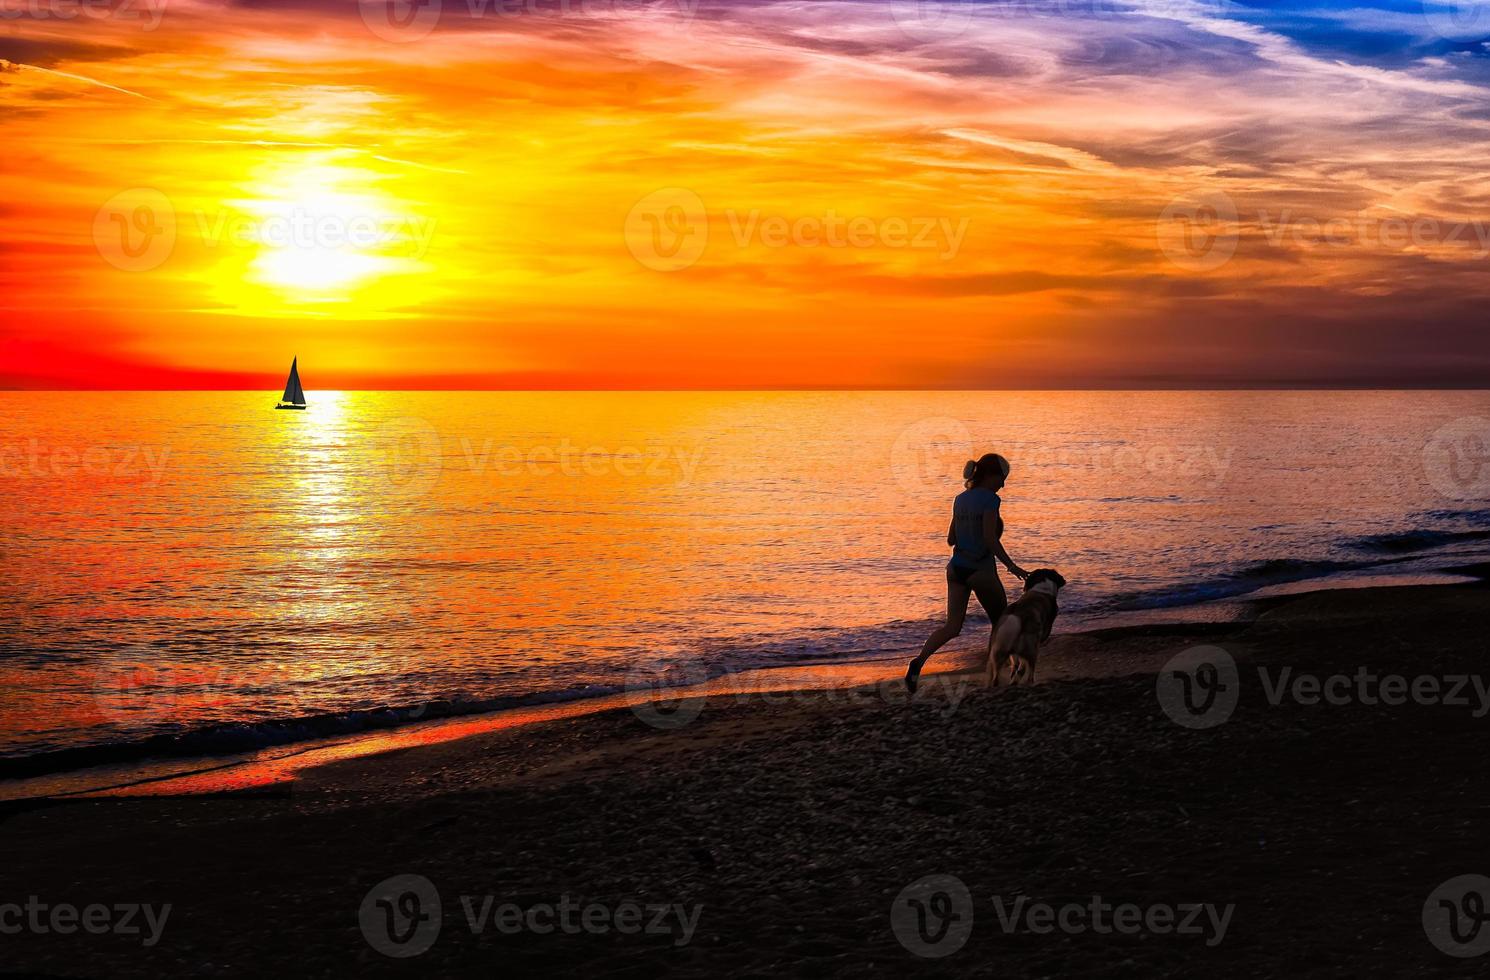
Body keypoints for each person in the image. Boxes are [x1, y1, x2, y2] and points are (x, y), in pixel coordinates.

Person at [905, 453, 1028, 693]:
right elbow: (989, 539)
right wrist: (1012, 566)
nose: (1003, 484)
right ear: (991, 476)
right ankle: (1002, 672)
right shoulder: (991, 500)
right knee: (1001, 622)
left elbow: (951, 539)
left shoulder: (959, 499)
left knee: (952, 627)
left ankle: (918, 662)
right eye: (1002, 478)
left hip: (956, 569)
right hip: (981, 570)